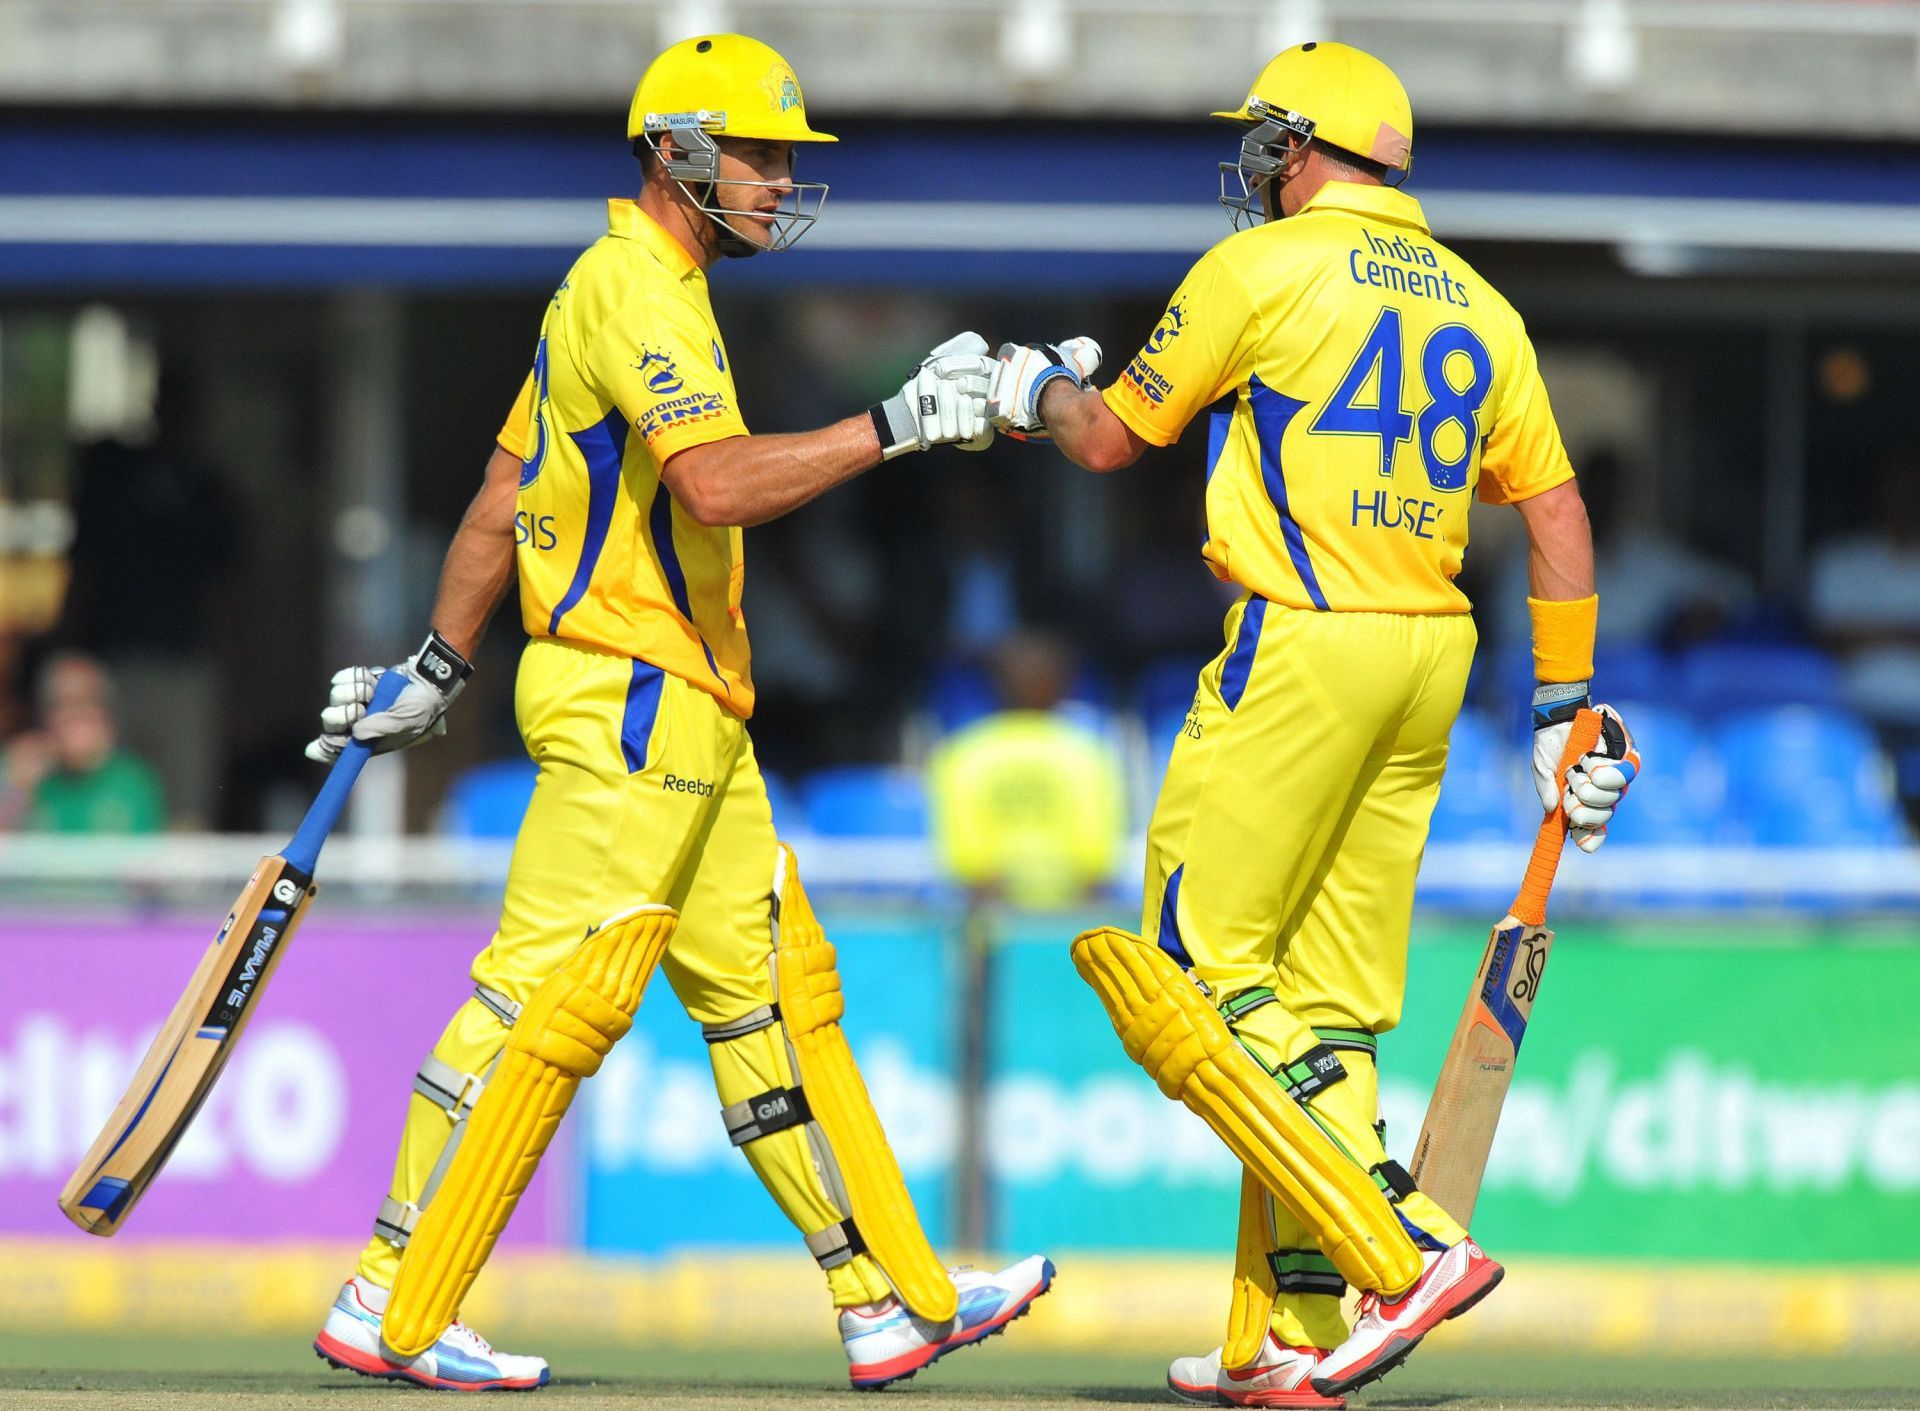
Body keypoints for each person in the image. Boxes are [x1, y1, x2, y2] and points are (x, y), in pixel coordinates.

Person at [302, 34, 1050, 1394]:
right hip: (629, 695)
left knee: (770, 999)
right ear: (676, 154)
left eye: (781, 159)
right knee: (538, 997)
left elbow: (499, 495)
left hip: (688, 705)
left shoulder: (637, 288)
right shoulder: (635, 287)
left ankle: (877, 1295)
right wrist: (898, 423)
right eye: (759, 155)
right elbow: (711, 487)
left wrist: (439, 666)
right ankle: (389, 1290)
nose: (777, 181)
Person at [986, 42, 1639, 1406]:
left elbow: (1109, 440)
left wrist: (1023, 390)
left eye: (1268, 143)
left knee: (1187, 969)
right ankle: (1286, 1328)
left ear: (1302, 145)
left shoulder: (1260, 270)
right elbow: (1559, 513)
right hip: (1430, 660)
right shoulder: (1484, 303)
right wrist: (1562, 706)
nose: (1258, 166)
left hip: (1303, 640)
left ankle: (1401, 1238)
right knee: (1322, 1011)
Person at [927, 629, 1126, 910]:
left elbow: (968, 870)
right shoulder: (1090, 756)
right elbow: (1096, 869)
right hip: (1070, 931)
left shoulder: (961, 755)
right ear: (1059, 686)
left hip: (990, 930)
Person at [0, 651, 165, 834]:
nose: (75, 715)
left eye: (87, 702)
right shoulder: (14, 766)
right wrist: (18, 790)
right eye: (62, 704)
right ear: (44, 716)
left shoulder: (134, 780)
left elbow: (145, 858)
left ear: (107, 716)